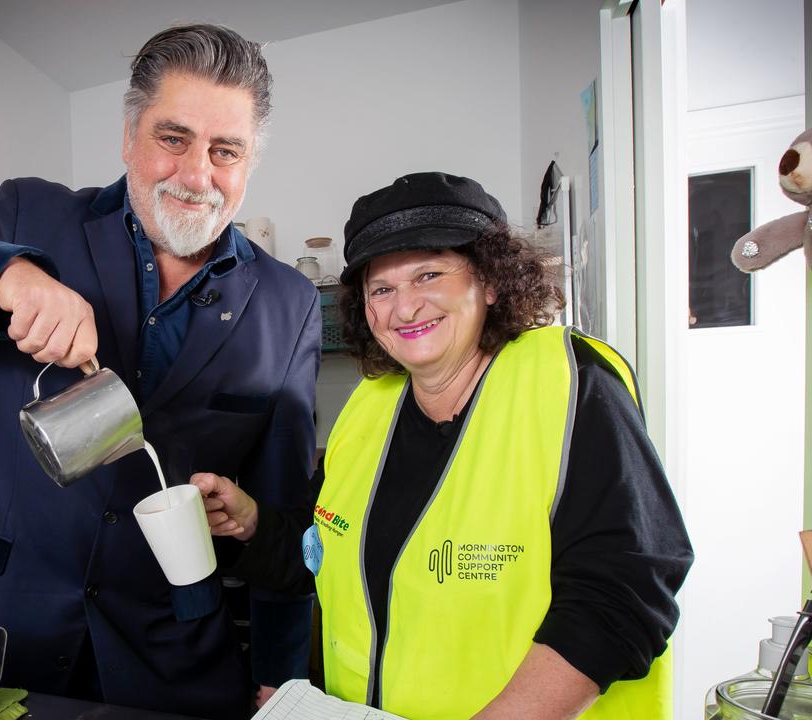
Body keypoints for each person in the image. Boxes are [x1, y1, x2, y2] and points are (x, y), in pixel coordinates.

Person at [0, 24, 320, 719]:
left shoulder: (288, 304)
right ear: (129, 136)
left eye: (225, 150)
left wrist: (281, 675)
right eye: (173, 138)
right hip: (4, 637)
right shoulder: (37, 217)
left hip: (173, 663)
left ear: (248, 163)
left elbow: (288, 518)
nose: (196, 173)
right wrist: (5, 278)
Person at [192, 172, 693, 719]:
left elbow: (623, 596)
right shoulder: (368, 409)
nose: (404, 308)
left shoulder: (571, 383)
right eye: (381, 289)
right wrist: (252, 524)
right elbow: (322, 555)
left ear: (492, 281)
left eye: (428, 275)